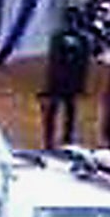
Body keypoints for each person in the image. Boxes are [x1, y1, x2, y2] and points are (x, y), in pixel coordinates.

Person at [39, 8, 93, 150]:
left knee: (58, 112)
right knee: (67, 112)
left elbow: (54, 62)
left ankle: (52, 141)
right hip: (69, 82)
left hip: (60, 81)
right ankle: (61, 140)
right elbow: (83, 66)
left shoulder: (58, 36)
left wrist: (48, 83)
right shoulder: (83, 39)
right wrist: (81, 85)